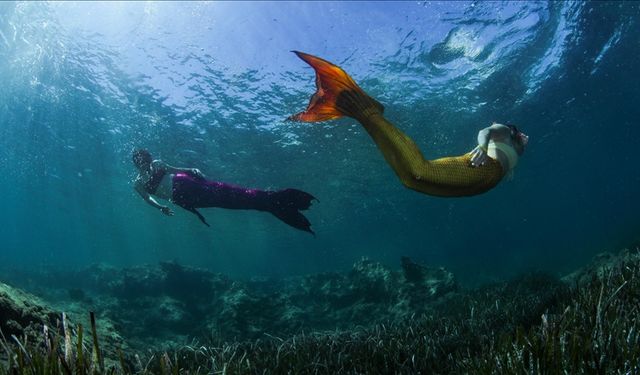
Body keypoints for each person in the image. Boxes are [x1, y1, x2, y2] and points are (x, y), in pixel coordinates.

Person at [288, 51, 528, 197]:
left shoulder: (516, 150)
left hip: (485, 183)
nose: (527, 137)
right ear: (515, 132)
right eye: (523, 135)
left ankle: (361, 111)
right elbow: (485, 131)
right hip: (484, 169)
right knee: (419, 172)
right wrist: (483, 148)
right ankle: (367, 111)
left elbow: (508, 164)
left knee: (411, 180)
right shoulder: (507, 131)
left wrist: (510, 170)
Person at [132, 149, 316, 233]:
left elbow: (174, 170)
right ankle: (271, 203)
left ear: (149, 159)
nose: (146, 163)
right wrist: (160, 208)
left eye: (147, 159)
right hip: (183, 199)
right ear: (137, 163)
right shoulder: (138, 184)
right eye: (142, 161)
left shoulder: (157, 165)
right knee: (226, 201)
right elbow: (147, 199)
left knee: (226, 193)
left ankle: (274, 199)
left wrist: (191, 170)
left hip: (186, 185)